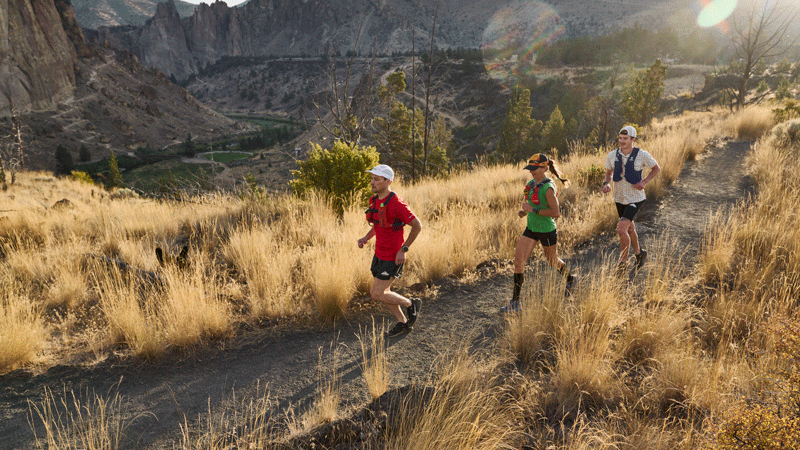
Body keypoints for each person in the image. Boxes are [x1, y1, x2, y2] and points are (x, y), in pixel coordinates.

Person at [501, 153, 577, 313]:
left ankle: (571, 279)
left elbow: (555, 213)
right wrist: (525, 212)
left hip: (547, 231)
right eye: (530, 168)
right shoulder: (531, 184)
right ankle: (515, 302)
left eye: (535, 168)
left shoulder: (549, 187)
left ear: (544, 168)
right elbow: (533, 205)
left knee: (552, 261)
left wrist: (532, 209)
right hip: (531, 228)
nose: (531, 171)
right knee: (518, 262)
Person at [358, 164, 423, 337]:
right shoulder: (375, 199)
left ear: (388, 181)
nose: (372, 182)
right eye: (372, 178)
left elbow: (417, 226)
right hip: (379, 253)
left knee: (377, 293)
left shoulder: (397, 203)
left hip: (393, 257)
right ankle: (403, 323)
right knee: (384, 293)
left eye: (377, 179)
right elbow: (379, 224)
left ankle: (411, 304)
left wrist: (404, 249)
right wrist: (366, 238)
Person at [601, 125, 661, 276]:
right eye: (620, 138)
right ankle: (640, 254)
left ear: (633, 139)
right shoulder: (612, 155)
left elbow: (656, 168)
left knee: (621, 229)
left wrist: (644, 182)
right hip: (619, 198)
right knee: (630, 229)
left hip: (636, 198)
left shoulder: (642, 155)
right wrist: (606, 183)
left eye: (625, 139)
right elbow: (608, 173)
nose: (621, 141)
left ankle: (622, 264)